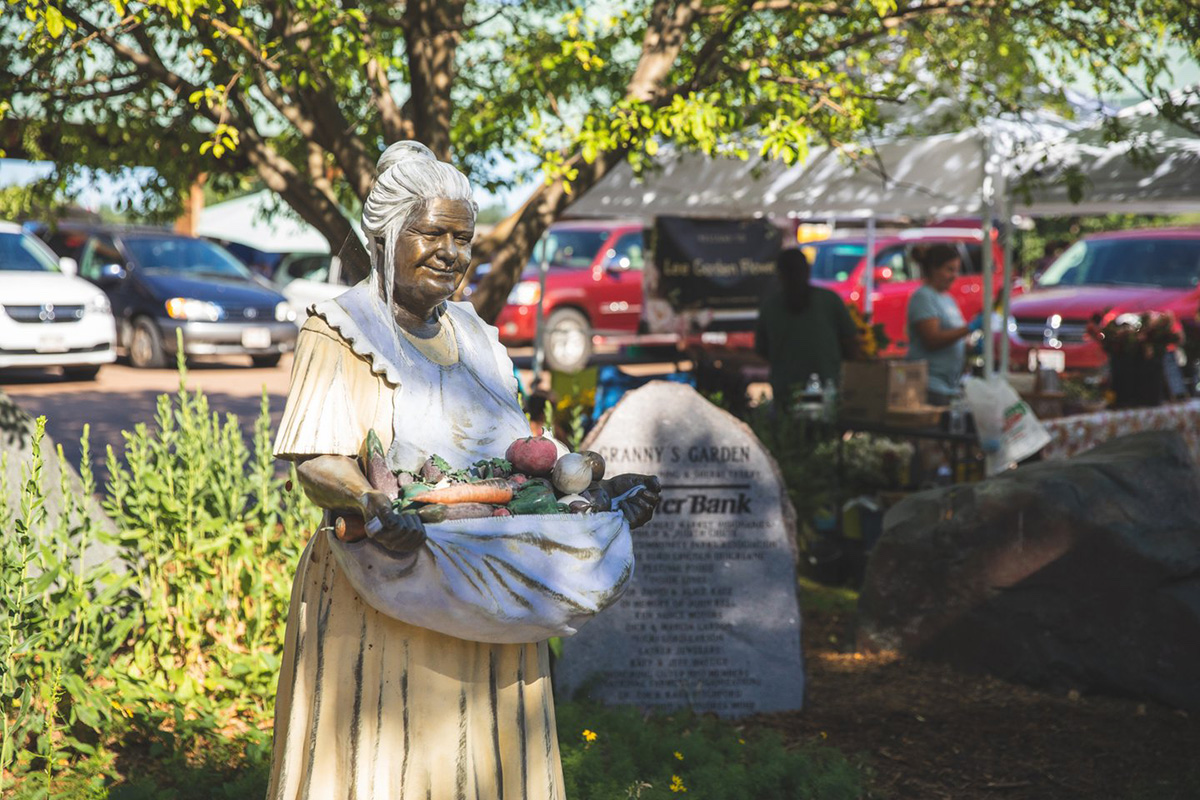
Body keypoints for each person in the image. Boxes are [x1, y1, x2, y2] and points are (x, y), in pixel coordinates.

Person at [268, 141, 660, 799]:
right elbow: (316, 461)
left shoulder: (477, 335)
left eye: (464, 237)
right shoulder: (339, 328)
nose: (452, 252)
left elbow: (519, 455)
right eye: (432, 233)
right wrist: (370, 504)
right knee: (391, 762)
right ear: (386, 234)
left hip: (494, 590)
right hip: (383, 590)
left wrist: (596, 489)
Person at [755, 247, 858, 408]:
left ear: (779, 275)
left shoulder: (770, 306)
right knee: (817, 429)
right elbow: (851, 343)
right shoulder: (829, 300)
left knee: (791, 431)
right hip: (821, 387)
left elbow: (761, 349)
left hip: (788, 390)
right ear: (808, 271)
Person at [906, 243, 971, 405]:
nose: (954, 275)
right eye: (949, 269)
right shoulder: (923, 297)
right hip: (930, 385)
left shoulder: (948, 299)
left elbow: (955, 337)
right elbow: (932, 340)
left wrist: (970, 347)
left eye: (957, 270)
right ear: (934, 269)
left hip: (950, 386)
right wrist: (968, 328)